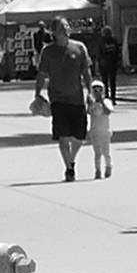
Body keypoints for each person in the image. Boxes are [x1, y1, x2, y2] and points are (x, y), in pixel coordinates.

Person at [37, 20, 98, 182]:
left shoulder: (79, 48)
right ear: (53, 32)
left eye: (66, 26)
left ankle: (71, 159)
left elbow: (86, 72)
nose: (64, 29)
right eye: (60, 27)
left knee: (79, 137)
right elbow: (42, 74)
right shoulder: (48, 51)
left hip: (76, 98)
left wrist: (90, 93)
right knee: (63, 136)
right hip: (57, 98)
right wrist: (37, 93)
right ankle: (69, 169)